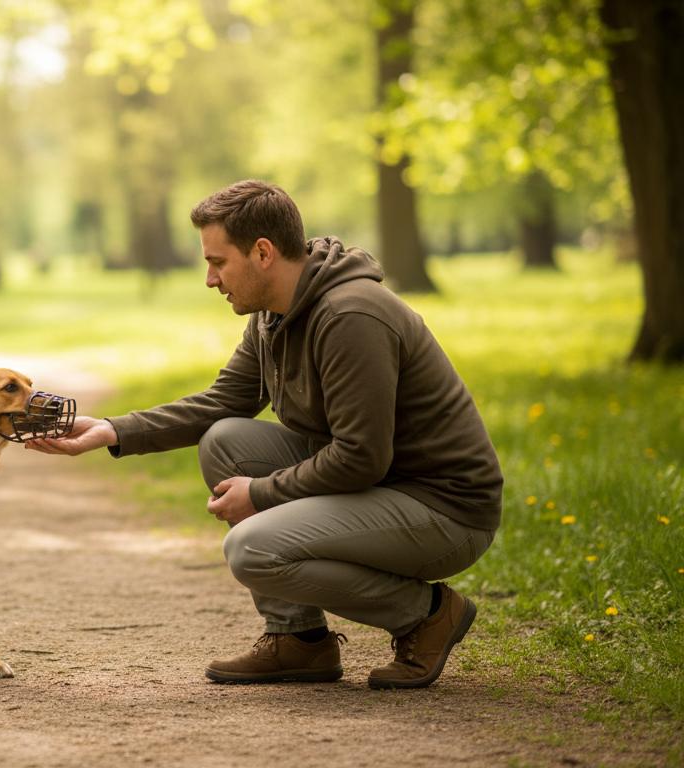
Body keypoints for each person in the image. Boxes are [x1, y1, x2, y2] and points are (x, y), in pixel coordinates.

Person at [28, 180, 502, 689]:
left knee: (253, 548)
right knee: (225, 441)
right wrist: (112, 429)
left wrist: (260, 494)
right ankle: (298, 640)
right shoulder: (273, 314)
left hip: (442, 509)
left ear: (262, 253)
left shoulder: (351, 315)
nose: (210, 279)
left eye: (217, 262)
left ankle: (427, 614)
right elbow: (223, 403)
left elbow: (361, 457)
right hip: (381, 483)